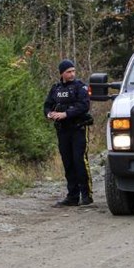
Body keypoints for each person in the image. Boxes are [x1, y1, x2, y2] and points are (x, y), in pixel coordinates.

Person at [44, 59, 94, 207]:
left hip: (78, 129)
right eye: (68, 72)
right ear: (62, 73)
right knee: (68, 163)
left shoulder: (80, 87)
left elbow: (83, 106)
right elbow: (47, 105)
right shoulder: (56, 89)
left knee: (80, 161)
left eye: (73, 71)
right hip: (63, 131)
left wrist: (66, 114)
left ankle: (87, 195)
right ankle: (72, 196)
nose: (72, 74)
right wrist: (49, 114)